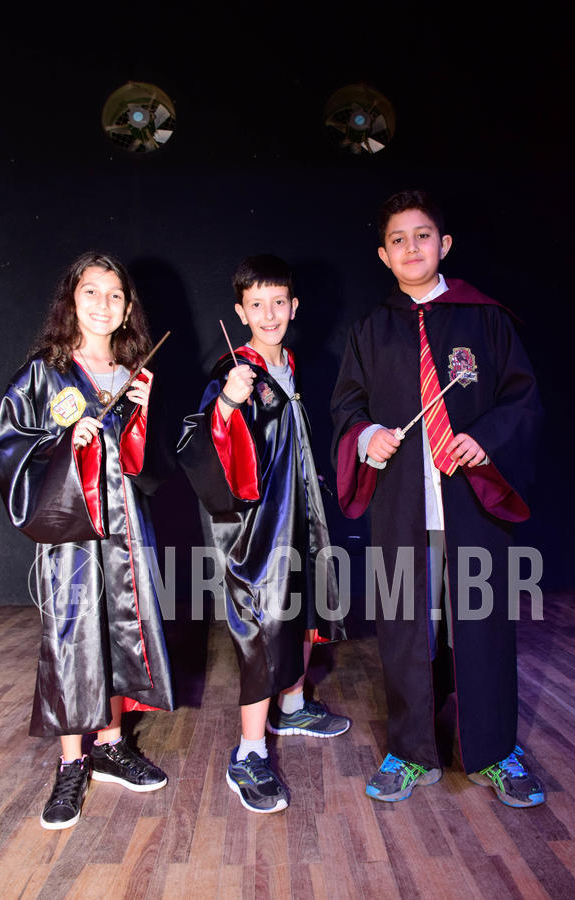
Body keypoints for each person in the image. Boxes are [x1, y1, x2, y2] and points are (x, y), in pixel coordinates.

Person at [330, 189, 545, 808]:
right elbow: (347, 408)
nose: (411, 247)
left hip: (472, 500)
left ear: (444, 244)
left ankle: (495, 751)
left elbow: (522, 400)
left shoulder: (485, 320)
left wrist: (486, 438)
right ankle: (410, 751)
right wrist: (367, 436)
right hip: (405, 504)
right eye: (397, 240)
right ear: (383, 255)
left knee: (484, 625)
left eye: (422, 235)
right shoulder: (370, 332)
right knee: (405, 628)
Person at [0, 251, 174, 830]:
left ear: (128, 308)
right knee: (73, 638)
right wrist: (62, 440)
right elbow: (9, 444)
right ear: (71, 300)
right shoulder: (45, 372)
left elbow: (147, 469)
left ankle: (111, 745)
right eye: (91, 291)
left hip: (124, 530)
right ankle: (72, 762)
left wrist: (142, 419)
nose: (103, 304)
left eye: (115, 295)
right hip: (71, 532)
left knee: (119, 634)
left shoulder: (132, 374)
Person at [178, 254, 349, 813]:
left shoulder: (290, 365)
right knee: (263, 628)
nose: (269, 314)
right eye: (257, 305)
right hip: (257, 530)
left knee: (302, 610)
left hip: (300, 514)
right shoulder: (232, 372)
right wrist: (228, 400)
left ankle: (293, 706)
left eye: (279, 303)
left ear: (294, 307)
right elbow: (202, 442)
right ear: (240, 311)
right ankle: (249, 753)